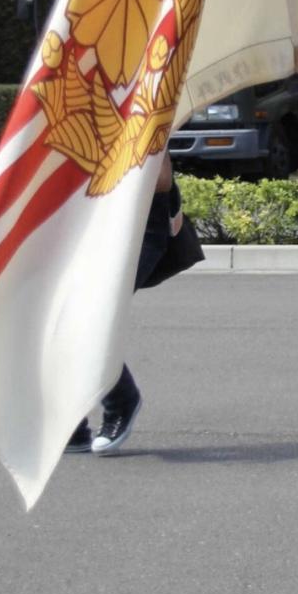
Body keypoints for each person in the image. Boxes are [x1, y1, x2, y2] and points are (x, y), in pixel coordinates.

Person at [67, 152, 202, 456]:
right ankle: (70, 425)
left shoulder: (141, 108)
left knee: (88, 319)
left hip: (137, 227)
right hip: (84, 223)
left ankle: (120, 401)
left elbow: (161, 178)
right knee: (57, 318)